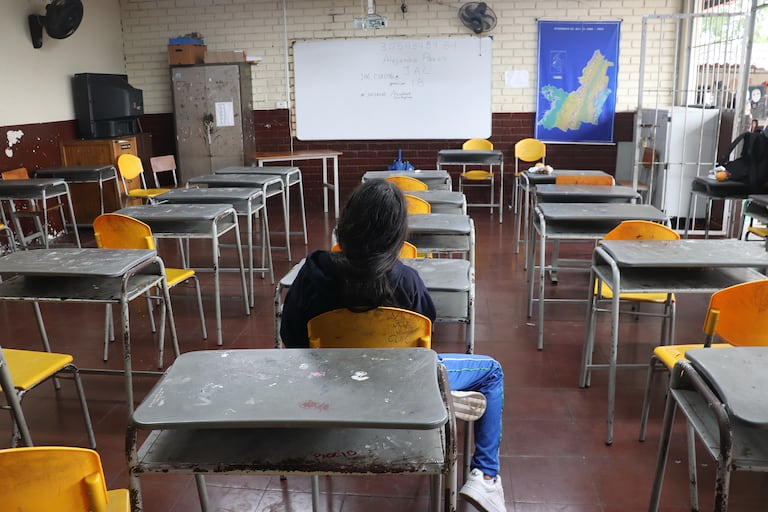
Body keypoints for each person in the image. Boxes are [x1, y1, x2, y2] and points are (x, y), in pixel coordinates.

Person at [281, 179, 506, 512]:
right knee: (490, 372)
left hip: (331, 391)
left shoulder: (312, 272)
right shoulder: (408, 281)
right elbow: (425, 346)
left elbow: (291, 338)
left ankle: (438, 398)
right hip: (403, 390)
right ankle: (484, 477)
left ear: (346, 223)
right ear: (397, 234)